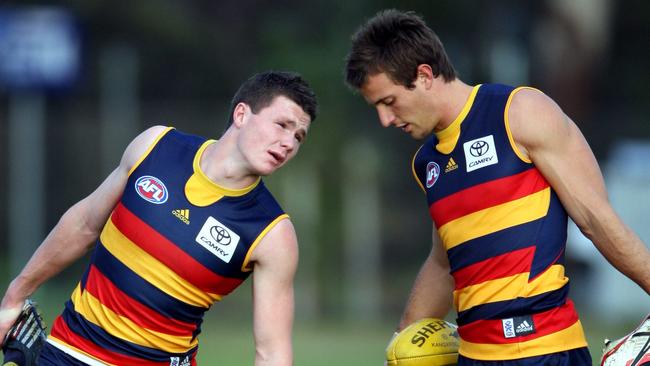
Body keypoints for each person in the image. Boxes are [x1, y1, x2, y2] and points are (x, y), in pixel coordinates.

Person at [344, 9, 650, 366]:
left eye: (389, 102)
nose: (385, 119)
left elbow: (595, 218)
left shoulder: (519, 112)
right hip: (472, 357)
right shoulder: (426, 162)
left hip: (544, 352)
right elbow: (443, 263)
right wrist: (401, 342)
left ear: (424, 76)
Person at [0, 70, 317, 366]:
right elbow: (84, 225)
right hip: (66, 351)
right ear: (242, 114)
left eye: (299, 137)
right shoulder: (156, 146)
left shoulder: (273, 234)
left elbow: (272, 351)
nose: (289, 143)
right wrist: (15, 295)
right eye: (282, 125)